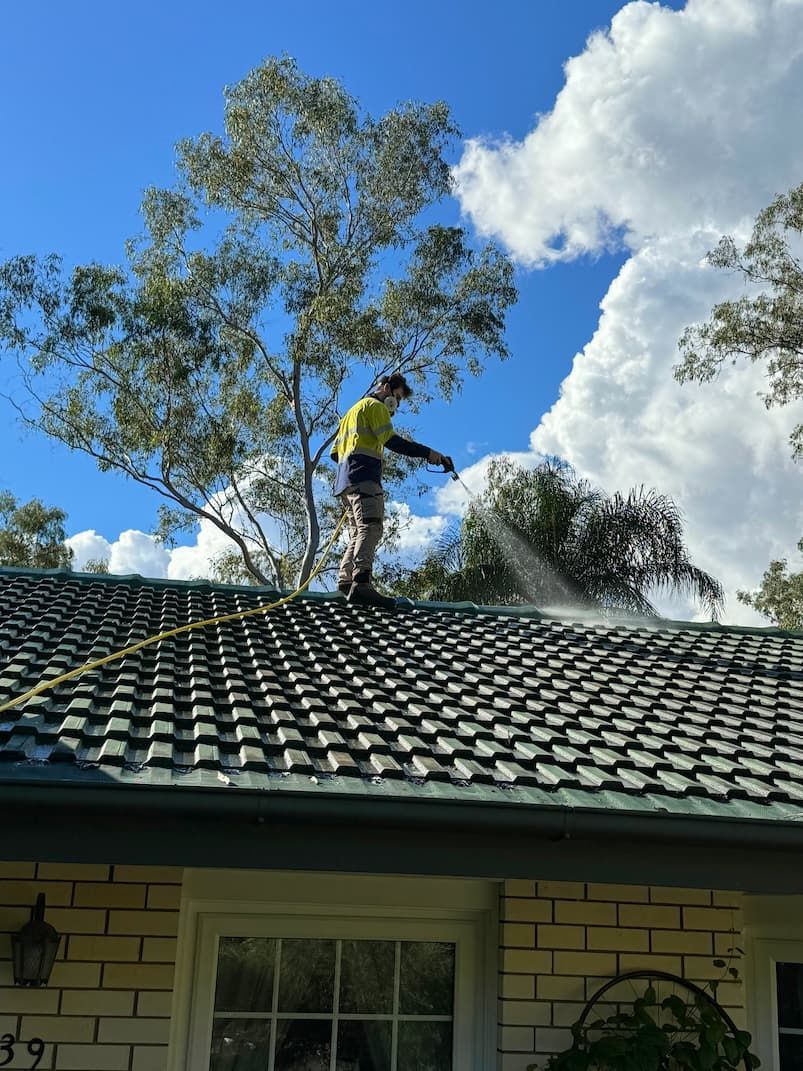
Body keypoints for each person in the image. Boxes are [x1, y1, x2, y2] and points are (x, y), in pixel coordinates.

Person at [331, 373, 452, 608]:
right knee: (371, 526)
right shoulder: (375, 407)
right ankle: (361, 584)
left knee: (358, 531)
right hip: (364, 477)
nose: (395, 405)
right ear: (386, 388)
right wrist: (430, 454)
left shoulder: (351, 413)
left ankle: (345, 583)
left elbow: (334, 454)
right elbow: (392, 441)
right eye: (396, 398)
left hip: (346, 481)